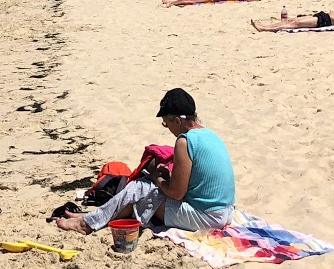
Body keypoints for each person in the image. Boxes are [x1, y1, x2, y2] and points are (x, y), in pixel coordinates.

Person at [53, 88, 235, 235]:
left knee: (139, 188)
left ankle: (87, 223)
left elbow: (177, 193)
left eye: (166, 123)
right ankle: (93, 217)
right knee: (142, 190)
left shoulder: (184, 141)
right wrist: (167, 177)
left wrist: (158, 179)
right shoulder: (209, 135)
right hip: (225, 212)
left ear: (178, 121)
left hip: (208, 218)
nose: (168, 128)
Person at [250, 6, 334, 32]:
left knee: (296, 23)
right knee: (291, 19)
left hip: (327, 21)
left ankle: (265, 29)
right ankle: (266, 25)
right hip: (323, 15)